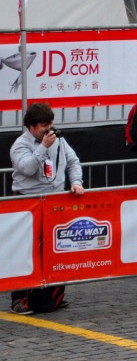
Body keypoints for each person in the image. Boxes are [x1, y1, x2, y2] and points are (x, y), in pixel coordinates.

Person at [9, 102, 85, 315]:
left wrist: (76, 182)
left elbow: (73, 161)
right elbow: (27, 168)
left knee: (56, 249)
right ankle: (20, 299)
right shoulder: (20, 145)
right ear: (31, 126)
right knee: (27, 252)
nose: (49, 129)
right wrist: (43, 147)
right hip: (28, 202)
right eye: (44, 125)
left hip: (55, 201)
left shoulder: (59, 140)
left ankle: (51, 296)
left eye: (50, 124)